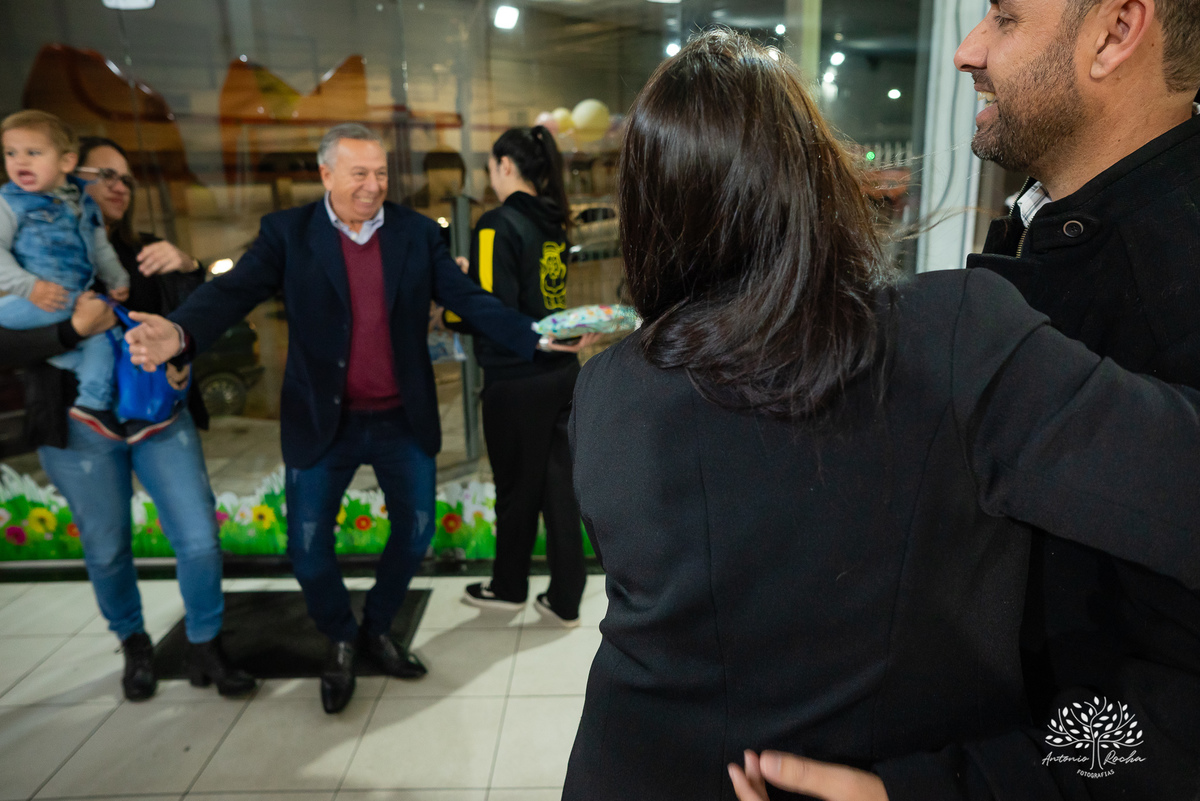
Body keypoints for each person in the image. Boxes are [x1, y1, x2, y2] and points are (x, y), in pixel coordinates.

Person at [560, 29, 1200, 801]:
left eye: (1002, 13)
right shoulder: (952, 334)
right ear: (818, 175)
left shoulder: (605, 394)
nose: (969, 47)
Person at [123, 122, 585, 715]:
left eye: (381, 173)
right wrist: (182, 331)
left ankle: (378, 628)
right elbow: (233, 293)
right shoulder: (287, 234)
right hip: (324, 422)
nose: (373, 186)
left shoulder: (417, 235)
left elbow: (469, 301)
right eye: (359, 173)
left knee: (415, 532)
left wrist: (539, 338)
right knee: (308, 549)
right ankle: (340, 635)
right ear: (326, 175)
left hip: (401, 418)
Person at [17, 136, 255, 703]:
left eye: (126, 178)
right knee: (106, 547)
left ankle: (206, 643)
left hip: (158, 418)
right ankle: (134, 645)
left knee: (198, 539)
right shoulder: (35, 262)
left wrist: (190, 268)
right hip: (77, 428)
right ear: (70, 174)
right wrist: (74, 330)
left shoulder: (150, 252)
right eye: (105, 174)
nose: (118, 186)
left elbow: (201, 326)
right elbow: (11, 344)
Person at [454, 126, 599, 625]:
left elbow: (489, 311)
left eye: (492, 168)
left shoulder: (497, 223)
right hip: (561, 374)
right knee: (559, 487)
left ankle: (509, 586)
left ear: (505, 166)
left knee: (516, 488)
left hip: (515, 378)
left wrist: (458, 291)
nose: (490, 178)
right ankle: (565, 597)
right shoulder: (552, 222)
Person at [0, 110, 131, 439]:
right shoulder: (9, 202)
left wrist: (118, 279)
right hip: (30, 300)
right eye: (10, 153)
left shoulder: (83, 204)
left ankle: (94, 399)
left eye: (33, 152)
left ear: (67, 162)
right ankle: (93, 402)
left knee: (99, 338)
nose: (20, 162)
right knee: (105, 326)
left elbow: (100, 249)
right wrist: (28, 286)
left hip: (58, 300)